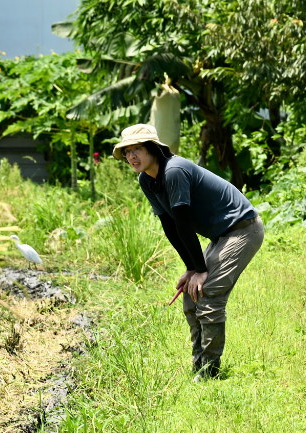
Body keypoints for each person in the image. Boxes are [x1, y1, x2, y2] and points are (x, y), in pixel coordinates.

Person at [113, 124, 264, 380]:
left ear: (153, 148)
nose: (131, 156)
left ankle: (210, 370)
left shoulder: (174, 171)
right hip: (220, 235)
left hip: (242, 229)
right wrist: (191, 268)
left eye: (137, 149)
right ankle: (199, 364)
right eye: (127, 152)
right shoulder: (146, 180)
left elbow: (183, 223)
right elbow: (170, 226)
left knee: (209, 292)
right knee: (190, 295)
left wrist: (202, 271)